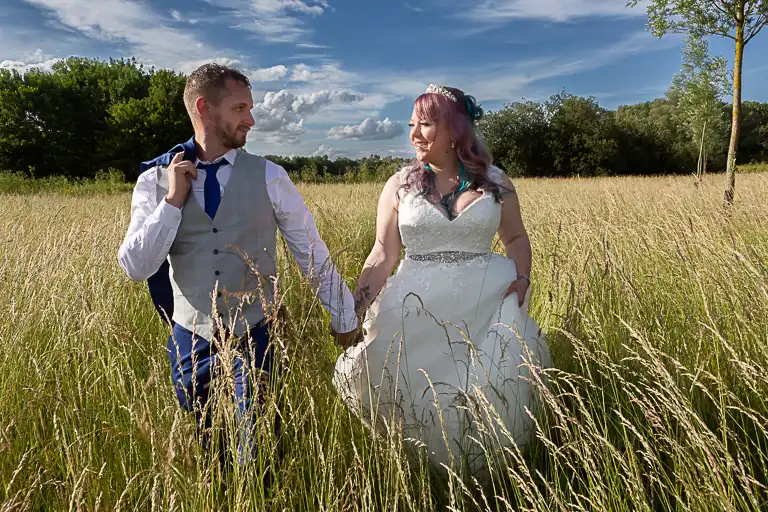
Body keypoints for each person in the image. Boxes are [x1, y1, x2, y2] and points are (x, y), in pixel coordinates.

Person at [117, 63, 360, 464]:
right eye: (240, 108)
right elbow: (135, 267)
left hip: (259, 330)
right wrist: (173, 202)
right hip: (191, 337)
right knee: (212, 452)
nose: (251, 119)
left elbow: (310, 251)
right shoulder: (154, 181)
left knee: (260, 450)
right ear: (204, 108)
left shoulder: (270, 176)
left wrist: (344, 316)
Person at [332, 84, 551, 475]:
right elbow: (382, 253)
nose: (415, 134)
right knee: (408, 392)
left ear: (455, 129)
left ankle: (485, 481)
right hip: (414, 309)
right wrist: (355, 310)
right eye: (412, 124)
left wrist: (522, 278)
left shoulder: (496, 182)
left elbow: (516, 238)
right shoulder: (399, 185)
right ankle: (424, 476)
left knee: (487, 392)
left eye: (426, 124)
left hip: (486, 306)